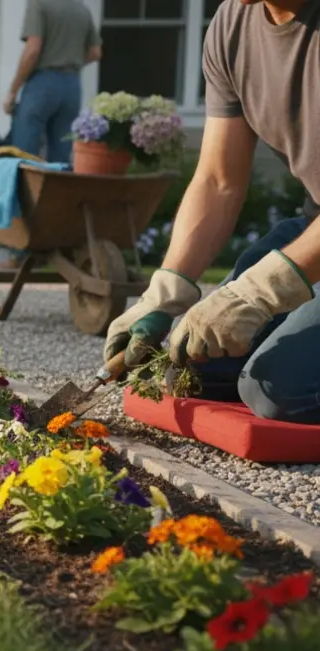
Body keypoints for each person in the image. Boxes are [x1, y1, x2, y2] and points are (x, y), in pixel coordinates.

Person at [103, 0, 320, 424]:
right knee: (191, 363)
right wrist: (164, 295)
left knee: (279, 389)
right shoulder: (232, 25)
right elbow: (219, 180)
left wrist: (261, 290)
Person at [3, 0, 102, 164]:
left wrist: (13, 91)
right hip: (72, 84)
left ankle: (26, 181)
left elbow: (32, 51)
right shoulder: (81, 9)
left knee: (25, 155)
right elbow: (95, 52)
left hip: (42, 82)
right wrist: (70, 61)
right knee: (61, 156)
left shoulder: (39, 4)